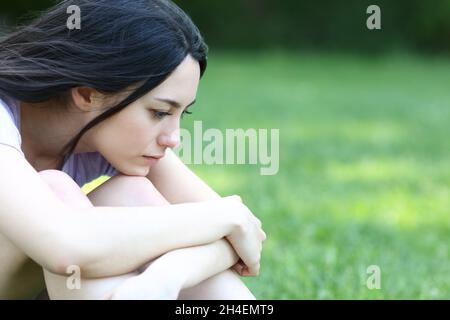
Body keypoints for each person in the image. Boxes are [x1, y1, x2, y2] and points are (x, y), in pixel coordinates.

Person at [0, 0, 266, 299]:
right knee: (56, 189)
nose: (173, 139)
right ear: (88, 94)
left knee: (131, 194)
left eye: (182, 114)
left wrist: (166, 276)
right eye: (160, 112)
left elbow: (244, 239)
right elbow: (66, 247)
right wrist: (221, 217)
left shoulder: (116, 140)